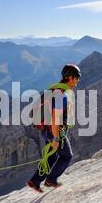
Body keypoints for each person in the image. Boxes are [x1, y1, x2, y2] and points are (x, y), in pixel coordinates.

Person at [26, 64, 81, 193]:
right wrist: (56, 138)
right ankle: (51, 180)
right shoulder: (62, 94)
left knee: (51, 156)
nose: (78, 81)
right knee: (66, 156)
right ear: (71, 78)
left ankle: (35, 181)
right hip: (54, 131)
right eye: (77, 78)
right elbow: (56, 118)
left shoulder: (54, 89)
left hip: (46, 130)